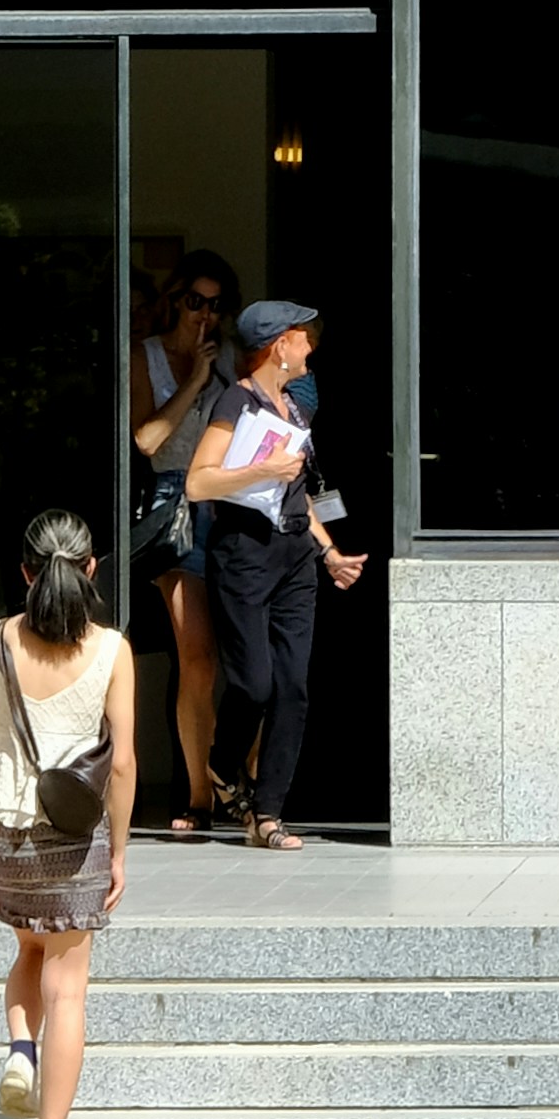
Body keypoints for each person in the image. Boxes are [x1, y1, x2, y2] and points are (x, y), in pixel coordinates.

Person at [0, 504, 135, 1119]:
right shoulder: (112, 649)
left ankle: (19, 1050)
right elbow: (122, 764)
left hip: (4, 834)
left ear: (26, 573)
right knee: (67, 989)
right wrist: (119, 850)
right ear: (91, 569)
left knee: (28, 949)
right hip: (74, 842)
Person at [182, 301, 368, 848]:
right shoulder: (237, 401)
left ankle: (268, 813)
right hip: (243, 552)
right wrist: (261, 467)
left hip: (294, 556)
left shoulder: (296, 408)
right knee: (253, 683)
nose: (310, 347)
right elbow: (198, 482)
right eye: (302, 337)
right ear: (279, 345)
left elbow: (298, 494)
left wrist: (329, 553)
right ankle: (223, 764)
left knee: (293, 687)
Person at [131, 255, 238, 836]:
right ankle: (199, 796)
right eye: (195, 301)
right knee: (196, 659)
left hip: (227, 503)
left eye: (216, 305)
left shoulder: (231, 363)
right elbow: (147, 439)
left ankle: (239, 783)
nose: (205, 314)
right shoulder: (146, 356)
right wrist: (195, 379)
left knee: (247, 658)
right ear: (175, 299)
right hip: (174, 507)